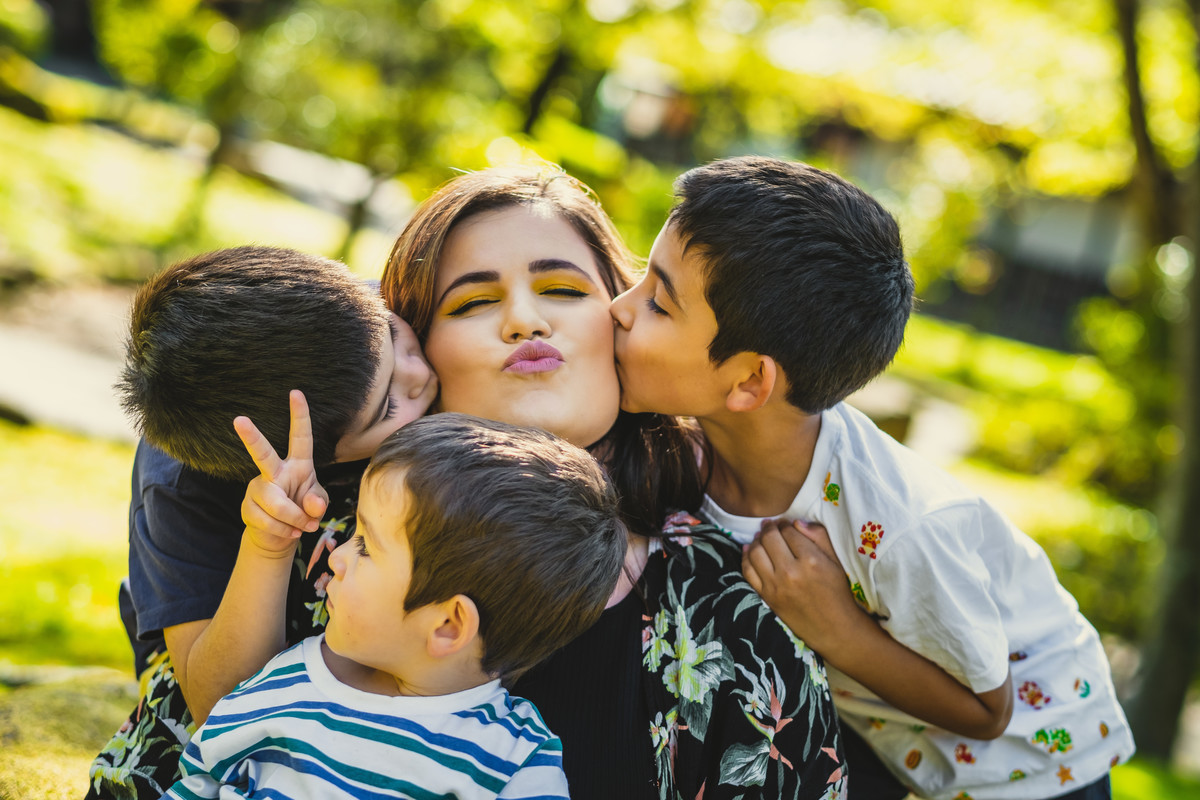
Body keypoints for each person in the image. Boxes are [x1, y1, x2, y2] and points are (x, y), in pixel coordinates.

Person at [90, 164, 845, 800]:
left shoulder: (735, 625)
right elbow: (191, 742)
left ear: (624, 321)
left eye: (563, 289)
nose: (522, 319)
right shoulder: (307, 533)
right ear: (415, 339)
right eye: (473, 302)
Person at [609, 155, 1135, 800]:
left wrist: (836, 627)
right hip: (893, 745)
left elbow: (988, 711)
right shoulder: (694, 454)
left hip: (1036, 767)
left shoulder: (899, 527)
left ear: (750, 380)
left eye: (658, 303)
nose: (618, 307)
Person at [89, 246, 436, 797]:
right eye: (387, 410)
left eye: (395, 337)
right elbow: (218, 701)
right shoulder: (183, 481)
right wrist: (269, 544)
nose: (420, 375)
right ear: (325, 458)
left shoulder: (355, 316)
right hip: (211, 639)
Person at [162, 411, 627, 800]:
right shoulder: (290, 678)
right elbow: (201, 780)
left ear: (448, 624)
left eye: (366, 545)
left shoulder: (512, 765)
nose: (338, 555)